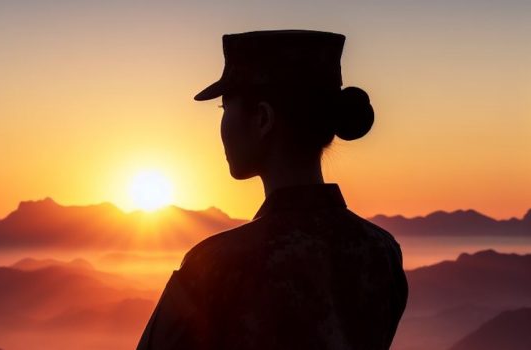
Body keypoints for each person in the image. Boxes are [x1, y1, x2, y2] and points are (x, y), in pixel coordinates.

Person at [136, 30, 408, 350]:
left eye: (224, 109)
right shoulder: (381, 253)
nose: (221, 128)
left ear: (263, 118)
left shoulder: (215, 266)